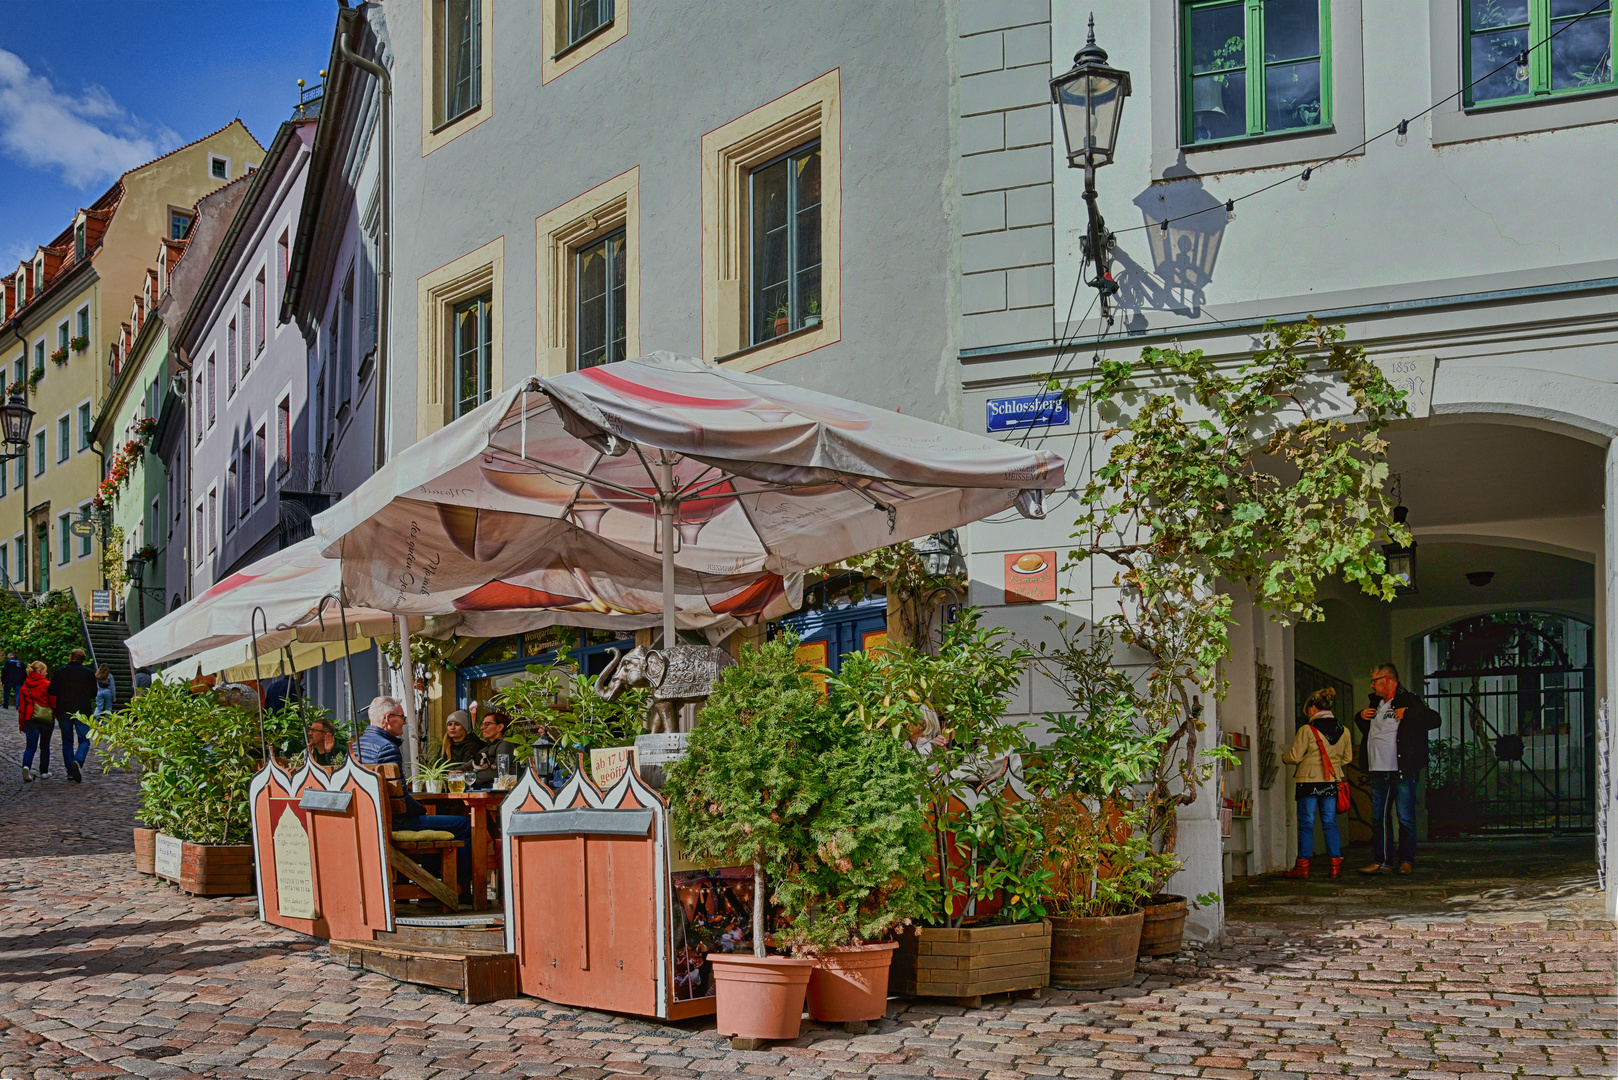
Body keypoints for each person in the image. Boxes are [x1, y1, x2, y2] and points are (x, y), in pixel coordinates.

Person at [356, 696, 471, 891]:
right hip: (394, 821)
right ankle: (456, 890)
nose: (405, 721)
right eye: (402, 717)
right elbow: (403, 803)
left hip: (370, 820)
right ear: (387, 718)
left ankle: (434, 886)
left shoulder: (358, 745)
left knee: (434, 821)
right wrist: (421, 810)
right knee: (465, 824)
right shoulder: (387, 748)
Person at [1356, 663, 1442, 875]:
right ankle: (1382, 860)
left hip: (1401, 769)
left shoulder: (1408, 699)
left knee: (1405, 816)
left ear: (1388, 679)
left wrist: (1410, 713)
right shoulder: (1375, 702)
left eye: (1375, 680)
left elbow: (1434, 719)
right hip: (1378, 769)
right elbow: (1372, 731)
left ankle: (1406, 860)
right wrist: (1360, 717)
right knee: (1379, 817)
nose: (1371, 685)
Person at [1281, 686, 1353, 878]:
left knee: (1306, 823)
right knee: (1330, 822)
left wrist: (1284, 756)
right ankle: (1335, 866)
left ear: (1313, 708)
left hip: (1308, 781)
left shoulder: (1307, 730)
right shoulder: (1344, 731)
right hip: (1331, 781)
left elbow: (1295, 757)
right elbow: (1347, 759)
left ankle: (1303, 867)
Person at [47, 648, 96, 783]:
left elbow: (52, 690)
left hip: (64, 709)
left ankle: (70, 771)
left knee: (67, 741)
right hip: (83, 710)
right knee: (84, 740)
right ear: (83, 660)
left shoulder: (61, 671)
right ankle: (78, 761)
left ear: (70, 657)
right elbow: (93, 694)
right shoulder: (89, 673)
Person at [19, 661, 55, 781]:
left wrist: (21, 724)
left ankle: (26, 766)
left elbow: (21, 707)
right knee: (45, 746)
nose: (46, 672)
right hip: (46, 718)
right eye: (45, 670)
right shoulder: (47, 684)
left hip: (30, 717)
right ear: (40, 671)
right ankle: (44, 771)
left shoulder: (25, 686)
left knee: (30, 746)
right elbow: (53, 702)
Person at [474, 710, 518, 788]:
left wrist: (468, 777)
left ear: (499, 727)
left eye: (487, 724)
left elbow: (500, 772)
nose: (482, 728)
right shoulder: (489, 747)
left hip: (502, 792)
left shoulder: (505, 744)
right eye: (482, 724)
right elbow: (470, 763)